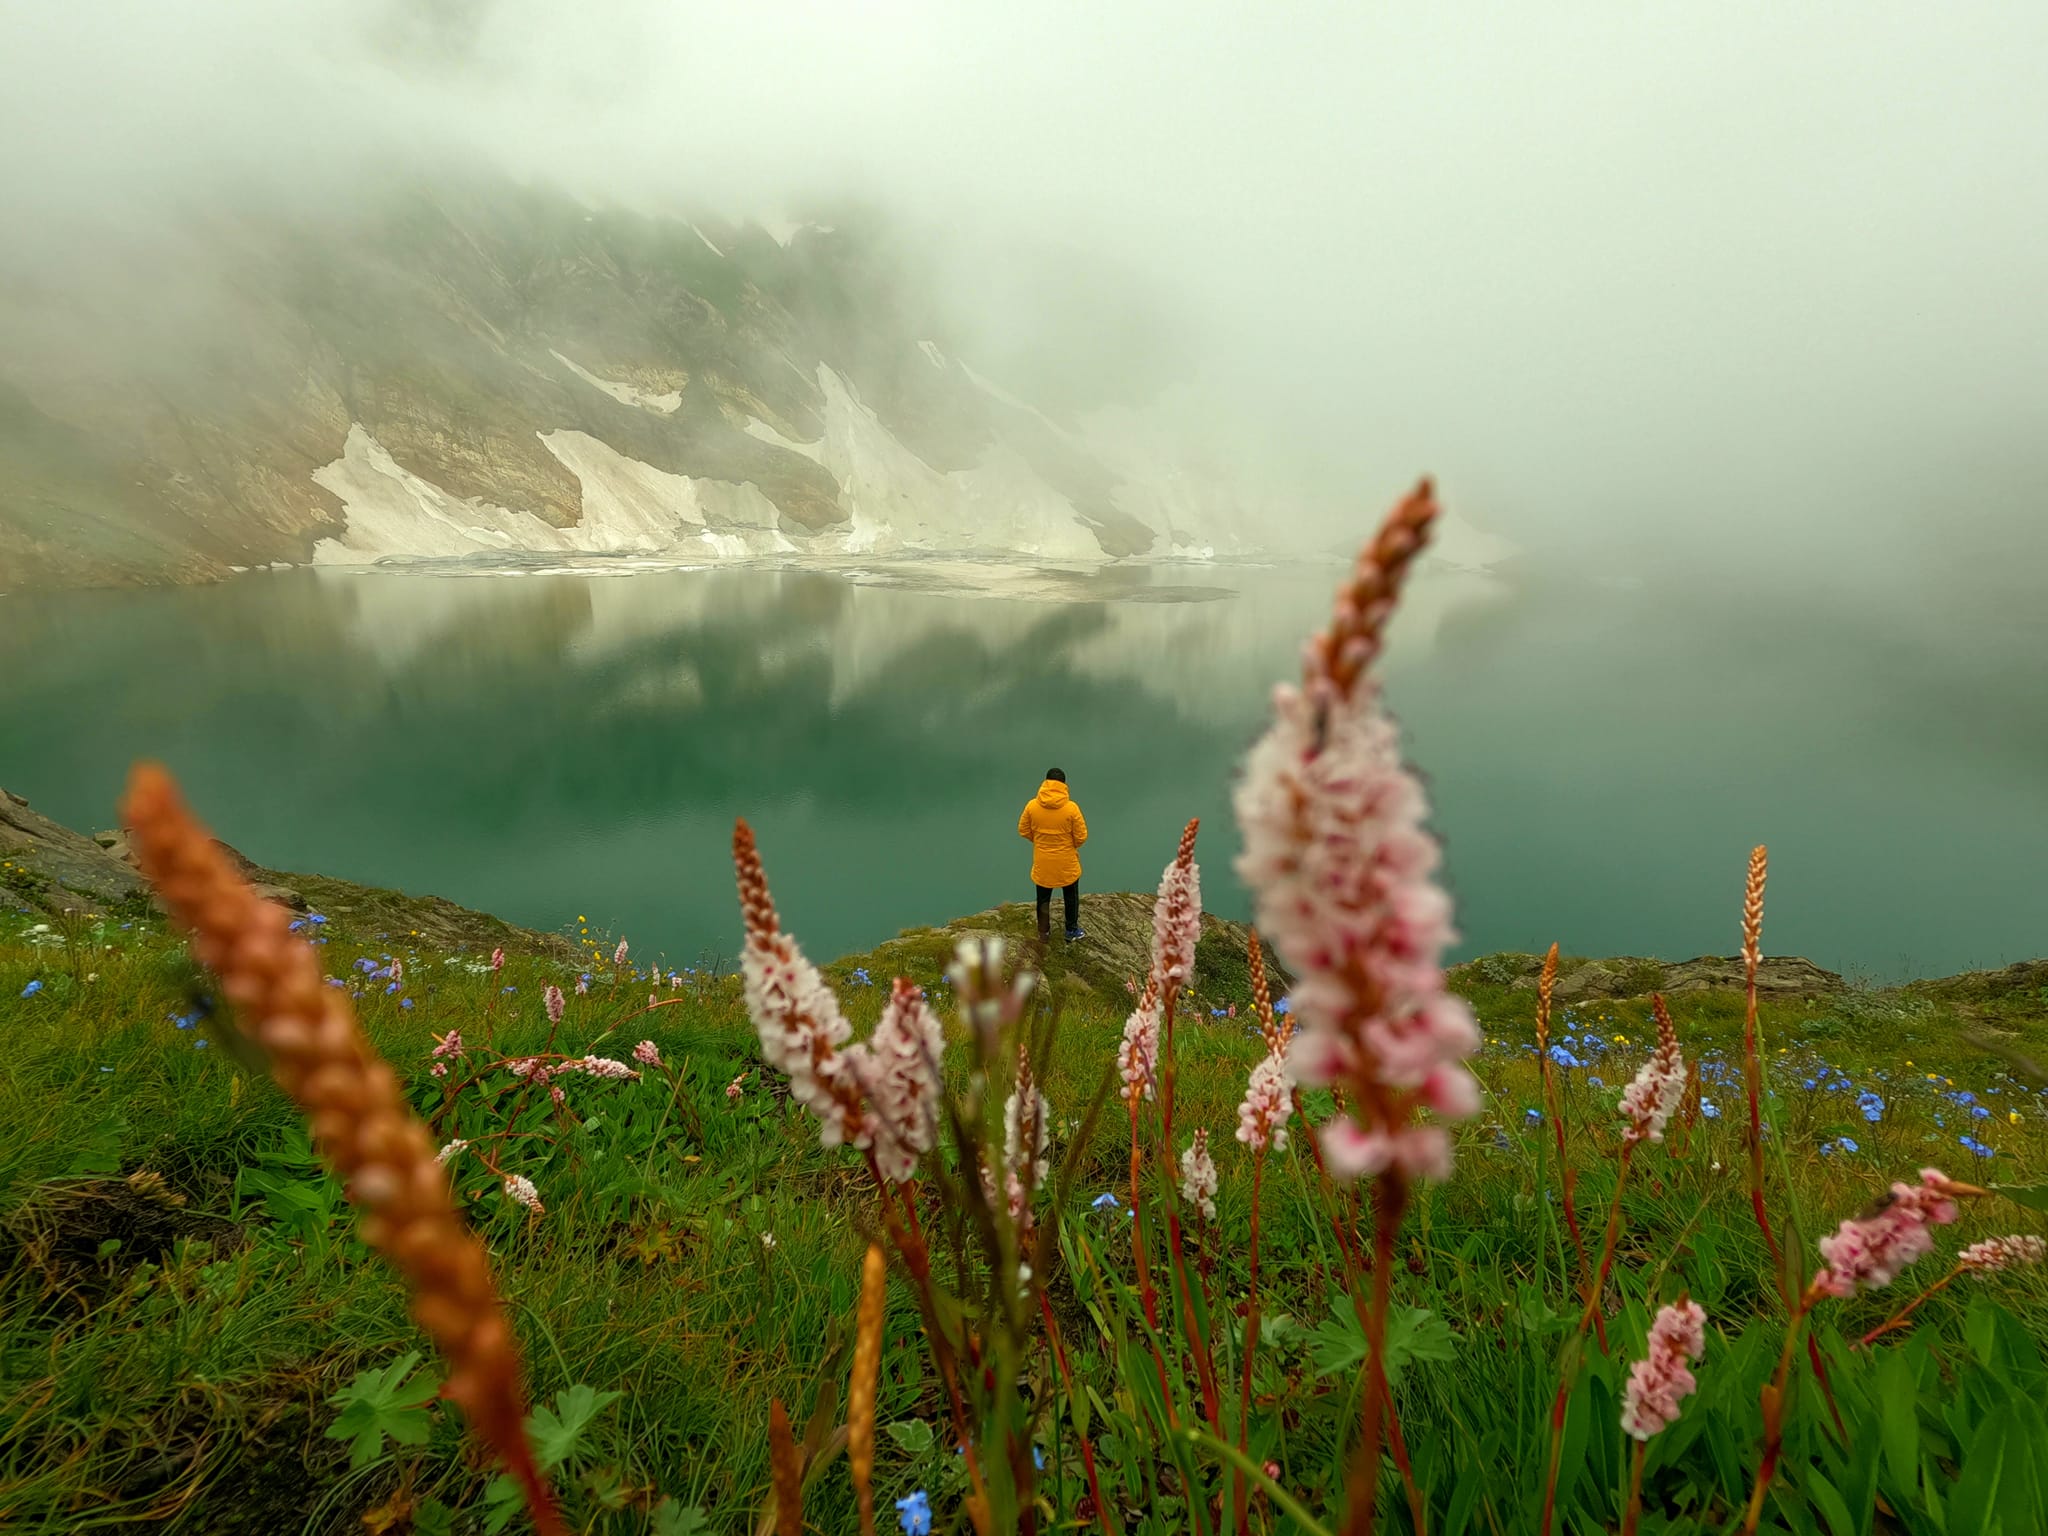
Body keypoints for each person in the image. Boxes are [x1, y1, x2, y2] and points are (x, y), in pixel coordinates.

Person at [1018, 768, 1088, 942]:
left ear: (1045, 783)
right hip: (1067, 861)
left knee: (1043, 899)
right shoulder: (1071, 809)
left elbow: (1023, 830)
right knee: (1071, 897)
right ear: (1064, 785)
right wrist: (1069, 845)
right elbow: (1081, 837)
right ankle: (1071, 930)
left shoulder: (1032, 806)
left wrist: (1040, 841)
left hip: (1043, 860)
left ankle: (1044, 933)